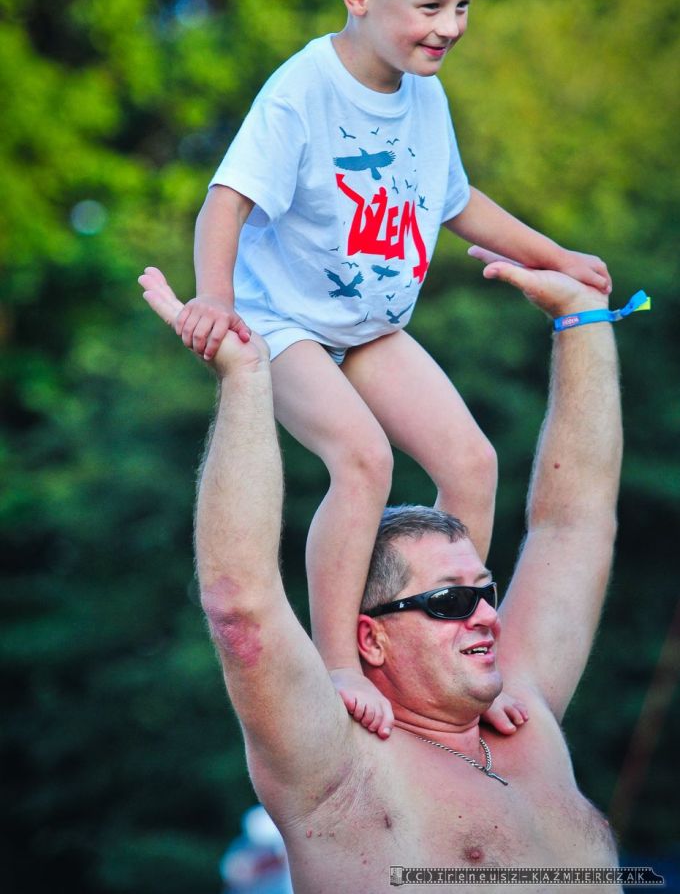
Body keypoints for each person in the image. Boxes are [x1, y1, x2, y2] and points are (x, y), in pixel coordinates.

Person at [174, 0, 611, 736]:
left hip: (372, 327)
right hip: (285, 321)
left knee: (473, 462)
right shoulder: (303, 89)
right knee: (363, 459)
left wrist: (555, 255)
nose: (450, 26)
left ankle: (447, 654)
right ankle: (341, 659)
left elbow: (457, 202)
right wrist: (215, 301)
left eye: (463, 6)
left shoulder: (424, 95)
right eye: (431, 6)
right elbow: (226, 200)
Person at [139, 248, 625, 892]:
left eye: (485, 593)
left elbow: (574, 524)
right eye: (449, 602)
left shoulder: (522, 718)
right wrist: (245, 380)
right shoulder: (336, 763)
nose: (487, 616)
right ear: (371, 638)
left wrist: (582, 318)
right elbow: (240, 605)